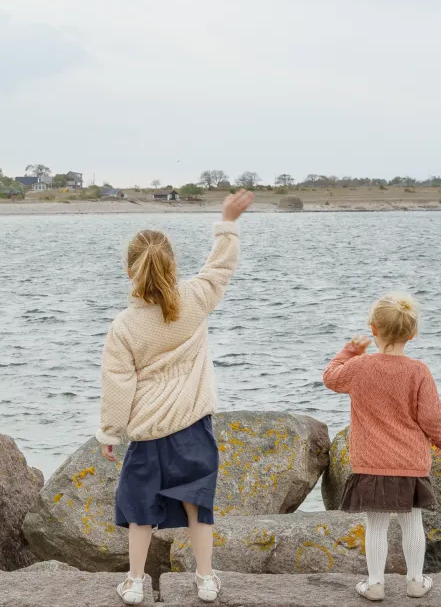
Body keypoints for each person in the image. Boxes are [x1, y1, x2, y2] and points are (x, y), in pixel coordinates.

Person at [100, 189, 253, 605]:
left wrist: (110, 431)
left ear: (129, 270)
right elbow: (220, 267)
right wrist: (228, 220)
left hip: (148, 433)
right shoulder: (195, 300)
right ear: (172, 264)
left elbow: (118, 382)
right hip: (193, 429)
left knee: (139, 510)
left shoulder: (125, 325)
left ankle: (134, 582)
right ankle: (204, 579)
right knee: (196, 505)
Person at [323, 293, 441, 601]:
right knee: (412, 520)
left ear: (374, 329)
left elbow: (330, 378)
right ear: (413, 334)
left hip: (371, 462)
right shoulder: (419, 370)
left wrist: (350, 351)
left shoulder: (361, 366)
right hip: (410, 460)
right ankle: (416, 581)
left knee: (376, 524)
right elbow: (431, 415)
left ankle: (376, 583)